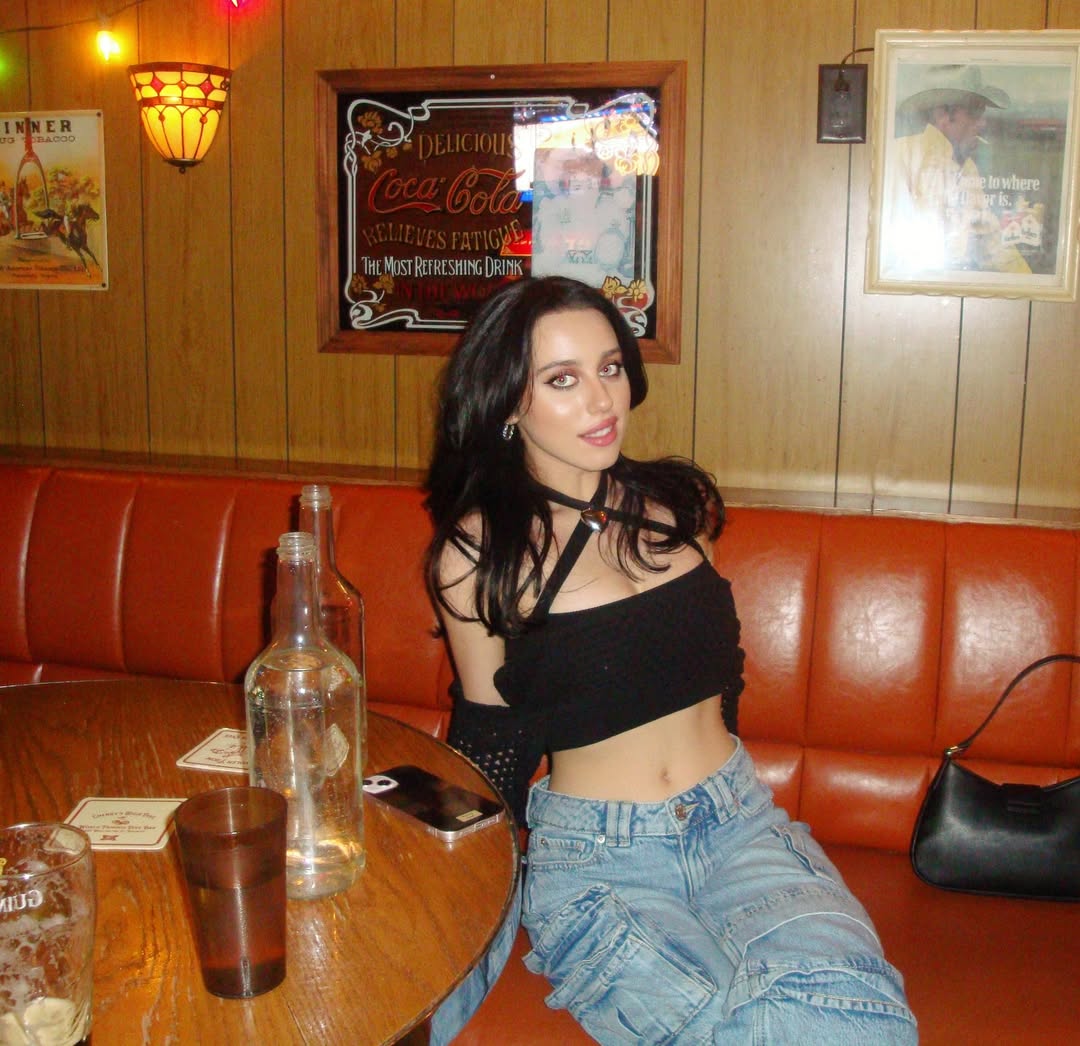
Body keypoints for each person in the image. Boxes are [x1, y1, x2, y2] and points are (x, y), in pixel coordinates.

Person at [423, 275, 917, 1043]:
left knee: (864, 1025)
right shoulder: (481, 552)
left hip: (740, 826)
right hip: (599, 860)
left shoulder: (673, 507)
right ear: (507, 404)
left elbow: (722, 679)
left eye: (610, 367)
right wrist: (457, 896)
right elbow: (491, 741)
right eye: (562, 379)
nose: (602, 400)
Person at [884, 64, 1030, 275]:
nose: (982, 123)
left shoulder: (967, 168)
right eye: (974, 113)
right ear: (942, 115)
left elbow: (991, 240)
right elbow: (890, 248)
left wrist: (1030, 282)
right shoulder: (900, 155)